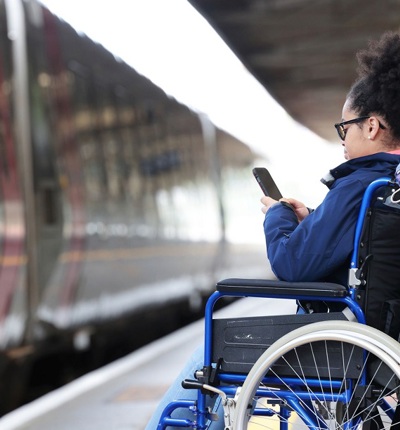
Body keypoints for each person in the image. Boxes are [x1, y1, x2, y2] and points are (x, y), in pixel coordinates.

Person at [146, 30, 400, 429]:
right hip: (380, 335)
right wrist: (311, 218)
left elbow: (291, 264)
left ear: (371, 126)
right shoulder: (389, 186)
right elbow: (365, 243)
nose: (343, 141)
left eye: (344, 128)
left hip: (345, 343)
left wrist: (277, 214)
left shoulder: (360, 183)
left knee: (205, 361)